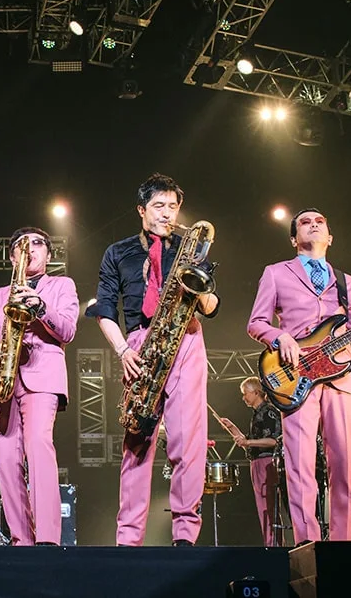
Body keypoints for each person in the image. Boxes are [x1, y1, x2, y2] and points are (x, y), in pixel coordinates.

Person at [247, 208, 351, 544]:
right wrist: (280, 338)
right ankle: (307, 543)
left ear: (330, 237)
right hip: (296, 376)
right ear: (294, 239)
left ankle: (344, 543)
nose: (313, 224)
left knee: (345, 463)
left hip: (341, 376)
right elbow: (256, 323)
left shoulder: (346, 282)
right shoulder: (275, 273)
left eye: (320, 222)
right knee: (299, 464)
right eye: (305, 222)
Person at [86, 174, 219, 547]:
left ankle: (185, 537)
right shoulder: (118, 252)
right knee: (137, 441)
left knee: (188, 442)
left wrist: (200, 283)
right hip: (140, 344)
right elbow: (104, 310)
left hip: (187, 338)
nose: (167, 214)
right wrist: (123, 350)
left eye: (173, 207)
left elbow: (212, 307)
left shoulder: (191, 249)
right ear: (141, 210)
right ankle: (128, 540)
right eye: (159, 206)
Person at [0, 227, 78, 546]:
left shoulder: (62, 285)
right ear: (13, 257)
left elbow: (67, 331)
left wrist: (41, 306)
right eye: (22, 245)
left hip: (41, 375)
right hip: (1, 377)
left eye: (38, 243)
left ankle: (48, 539)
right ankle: (21, 540)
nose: (30, 249)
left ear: (48, 254)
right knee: (6, 463)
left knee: (39, 447)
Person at [218, 376, 283, 546]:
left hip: (267, 462)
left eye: (245, 393)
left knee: (269, 506)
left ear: (256, 393)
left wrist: (248, 442)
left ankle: (274, 544)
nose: (243, 397)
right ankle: (271, 543)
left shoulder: (268, 412)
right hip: (257, 463)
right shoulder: (257, 415)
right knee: (263, 506)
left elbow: (274, 441)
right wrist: (232, 428)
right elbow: (249, 442)